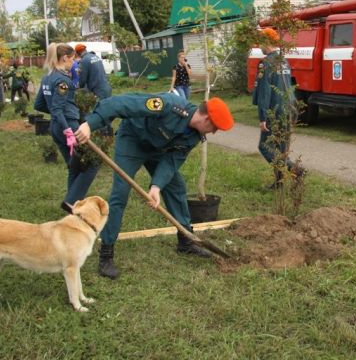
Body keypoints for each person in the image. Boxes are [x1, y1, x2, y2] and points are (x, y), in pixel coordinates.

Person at [74, 93, 234, 279]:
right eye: (214, 128)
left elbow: (173, 160)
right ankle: (106, 253)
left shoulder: (195, 136)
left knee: (176, 188)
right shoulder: (168, 106)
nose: (213, 132)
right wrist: (89, 124)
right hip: (132, 142)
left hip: (159, 152)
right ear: (206, 119)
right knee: (120, 193)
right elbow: (121, 103)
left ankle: (186, 241)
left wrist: (156, 186)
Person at [35, 44, 99, 213]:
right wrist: (67, 127)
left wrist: (58, 117)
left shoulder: (47, 78)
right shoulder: (63, 80)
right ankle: (71, 202)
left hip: (55, 126)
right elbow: (56, 108)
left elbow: (39, 104)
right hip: (69, 127)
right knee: (92, 163)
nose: (74, 62)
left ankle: (73, 206)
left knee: (74, 166)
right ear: (64, 58)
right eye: (72, 59)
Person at [252, 28, 304, 189]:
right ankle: (279, 182)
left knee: (265, 146)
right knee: (281, 149)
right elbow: (289, 86)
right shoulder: (283, 60)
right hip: (288, 109)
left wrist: (263, 117)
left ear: (267, 42)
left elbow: (265, 92)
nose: (259, 46)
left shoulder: (266, 63)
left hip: (275, 112)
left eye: (261, 41)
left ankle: (295, 169)